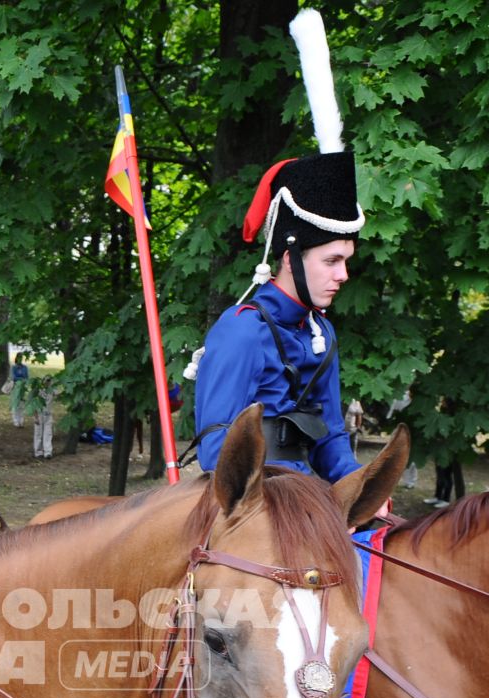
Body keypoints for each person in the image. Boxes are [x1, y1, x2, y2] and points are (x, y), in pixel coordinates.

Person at [189, 14, 361, 481]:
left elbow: (328, 439)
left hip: (303, 505)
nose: (342, 274)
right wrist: (301, 487)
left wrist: (356, 485)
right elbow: (215, 455)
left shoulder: (322, 333)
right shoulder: (241, 332)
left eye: (345, 261)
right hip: (243, 511)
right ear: (289, 258)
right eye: (331, 260)